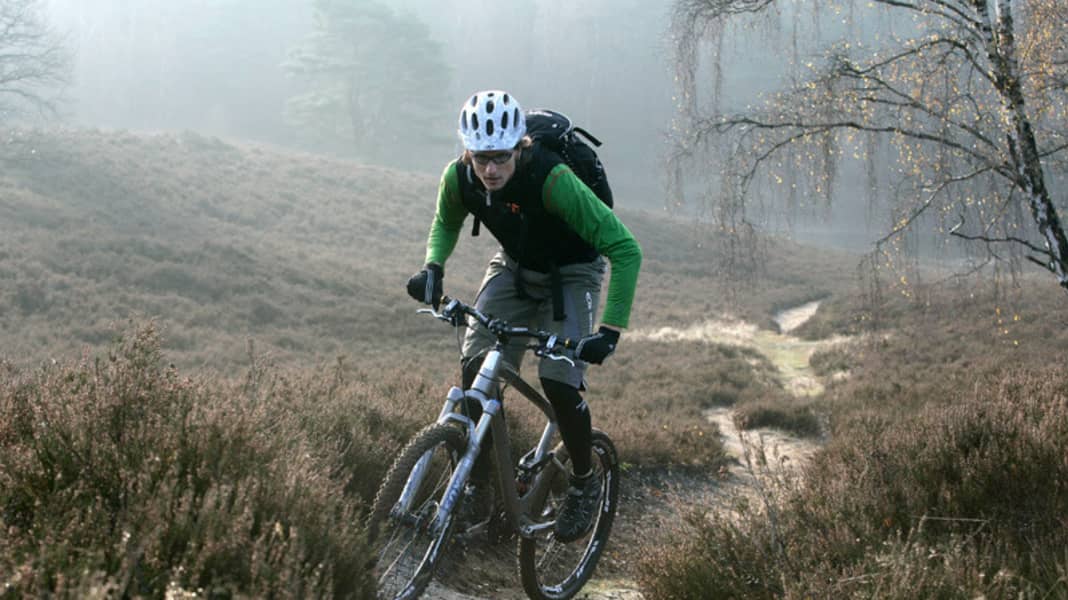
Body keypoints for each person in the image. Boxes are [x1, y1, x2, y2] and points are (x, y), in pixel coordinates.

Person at [406, 90, 641, 543]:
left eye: (499, 157)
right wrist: (433, 267)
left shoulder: (552, 180)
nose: (490, 169)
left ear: (520, 147)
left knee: (558, 380)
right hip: (514, 268)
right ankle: (476, 486)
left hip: (573, 274)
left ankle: (582, 480)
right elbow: (446, 221)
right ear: (467, 152)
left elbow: (625, 249)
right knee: (477, 371)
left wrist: (609, 333)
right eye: (480, 158)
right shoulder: (460, 178)